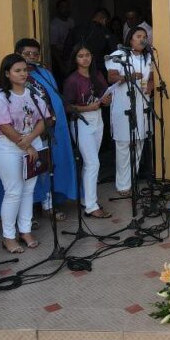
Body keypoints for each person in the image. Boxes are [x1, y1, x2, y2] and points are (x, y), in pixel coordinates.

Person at [0, 54, 48, 253]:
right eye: (17, 70)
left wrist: (31, 139)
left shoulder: (33, 93)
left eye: (24, 70)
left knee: (28, 190)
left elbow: (43, 119)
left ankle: (25, 230)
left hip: (32, 143)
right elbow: (4, 126)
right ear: (7, 73)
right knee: (13, 191)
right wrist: (26, 145)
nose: (23, 74)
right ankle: (8, 236)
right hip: (8, 148)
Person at [15, 38, 77, 210]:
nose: (32, 57)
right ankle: (26, 211)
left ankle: (47, 204)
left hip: (46, 128)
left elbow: (55, 101)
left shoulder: (44, 73)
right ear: (17, 54)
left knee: (47, 165)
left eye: (35, 54)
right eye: (27, 54)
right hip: (24, 133)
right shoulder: (13, 76)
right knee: (24, 172)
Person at [63, 44, 112, 218]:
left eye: (88, 55)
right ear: (75, 59)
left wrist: (106, 100)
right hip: (81, 121)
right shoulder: (72, 80)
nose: (85, 58)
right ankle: (91, 206)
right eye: (81, 56)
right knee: (93, 163)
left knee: (89, 162)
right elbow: (67, 106)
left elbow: (106, 95)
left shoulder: (96, 74)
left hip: (97, 118)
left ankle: (85, 197)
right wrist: (87, 108)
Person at [105, 27, 153, 197]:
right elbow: (111, 77)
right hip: (123, 105)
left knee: (139, 141)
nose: (142, 39)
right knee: (124, 144)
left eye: (145, 37)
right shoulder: (119, 54)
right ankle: (123, 185)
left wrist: (150, 86)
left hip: (142, 104)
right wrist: (129, 77)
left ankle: (132, 181)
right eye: (138, 36)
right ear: (130, 39)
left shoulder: (148, 57)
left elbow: (151, 76)